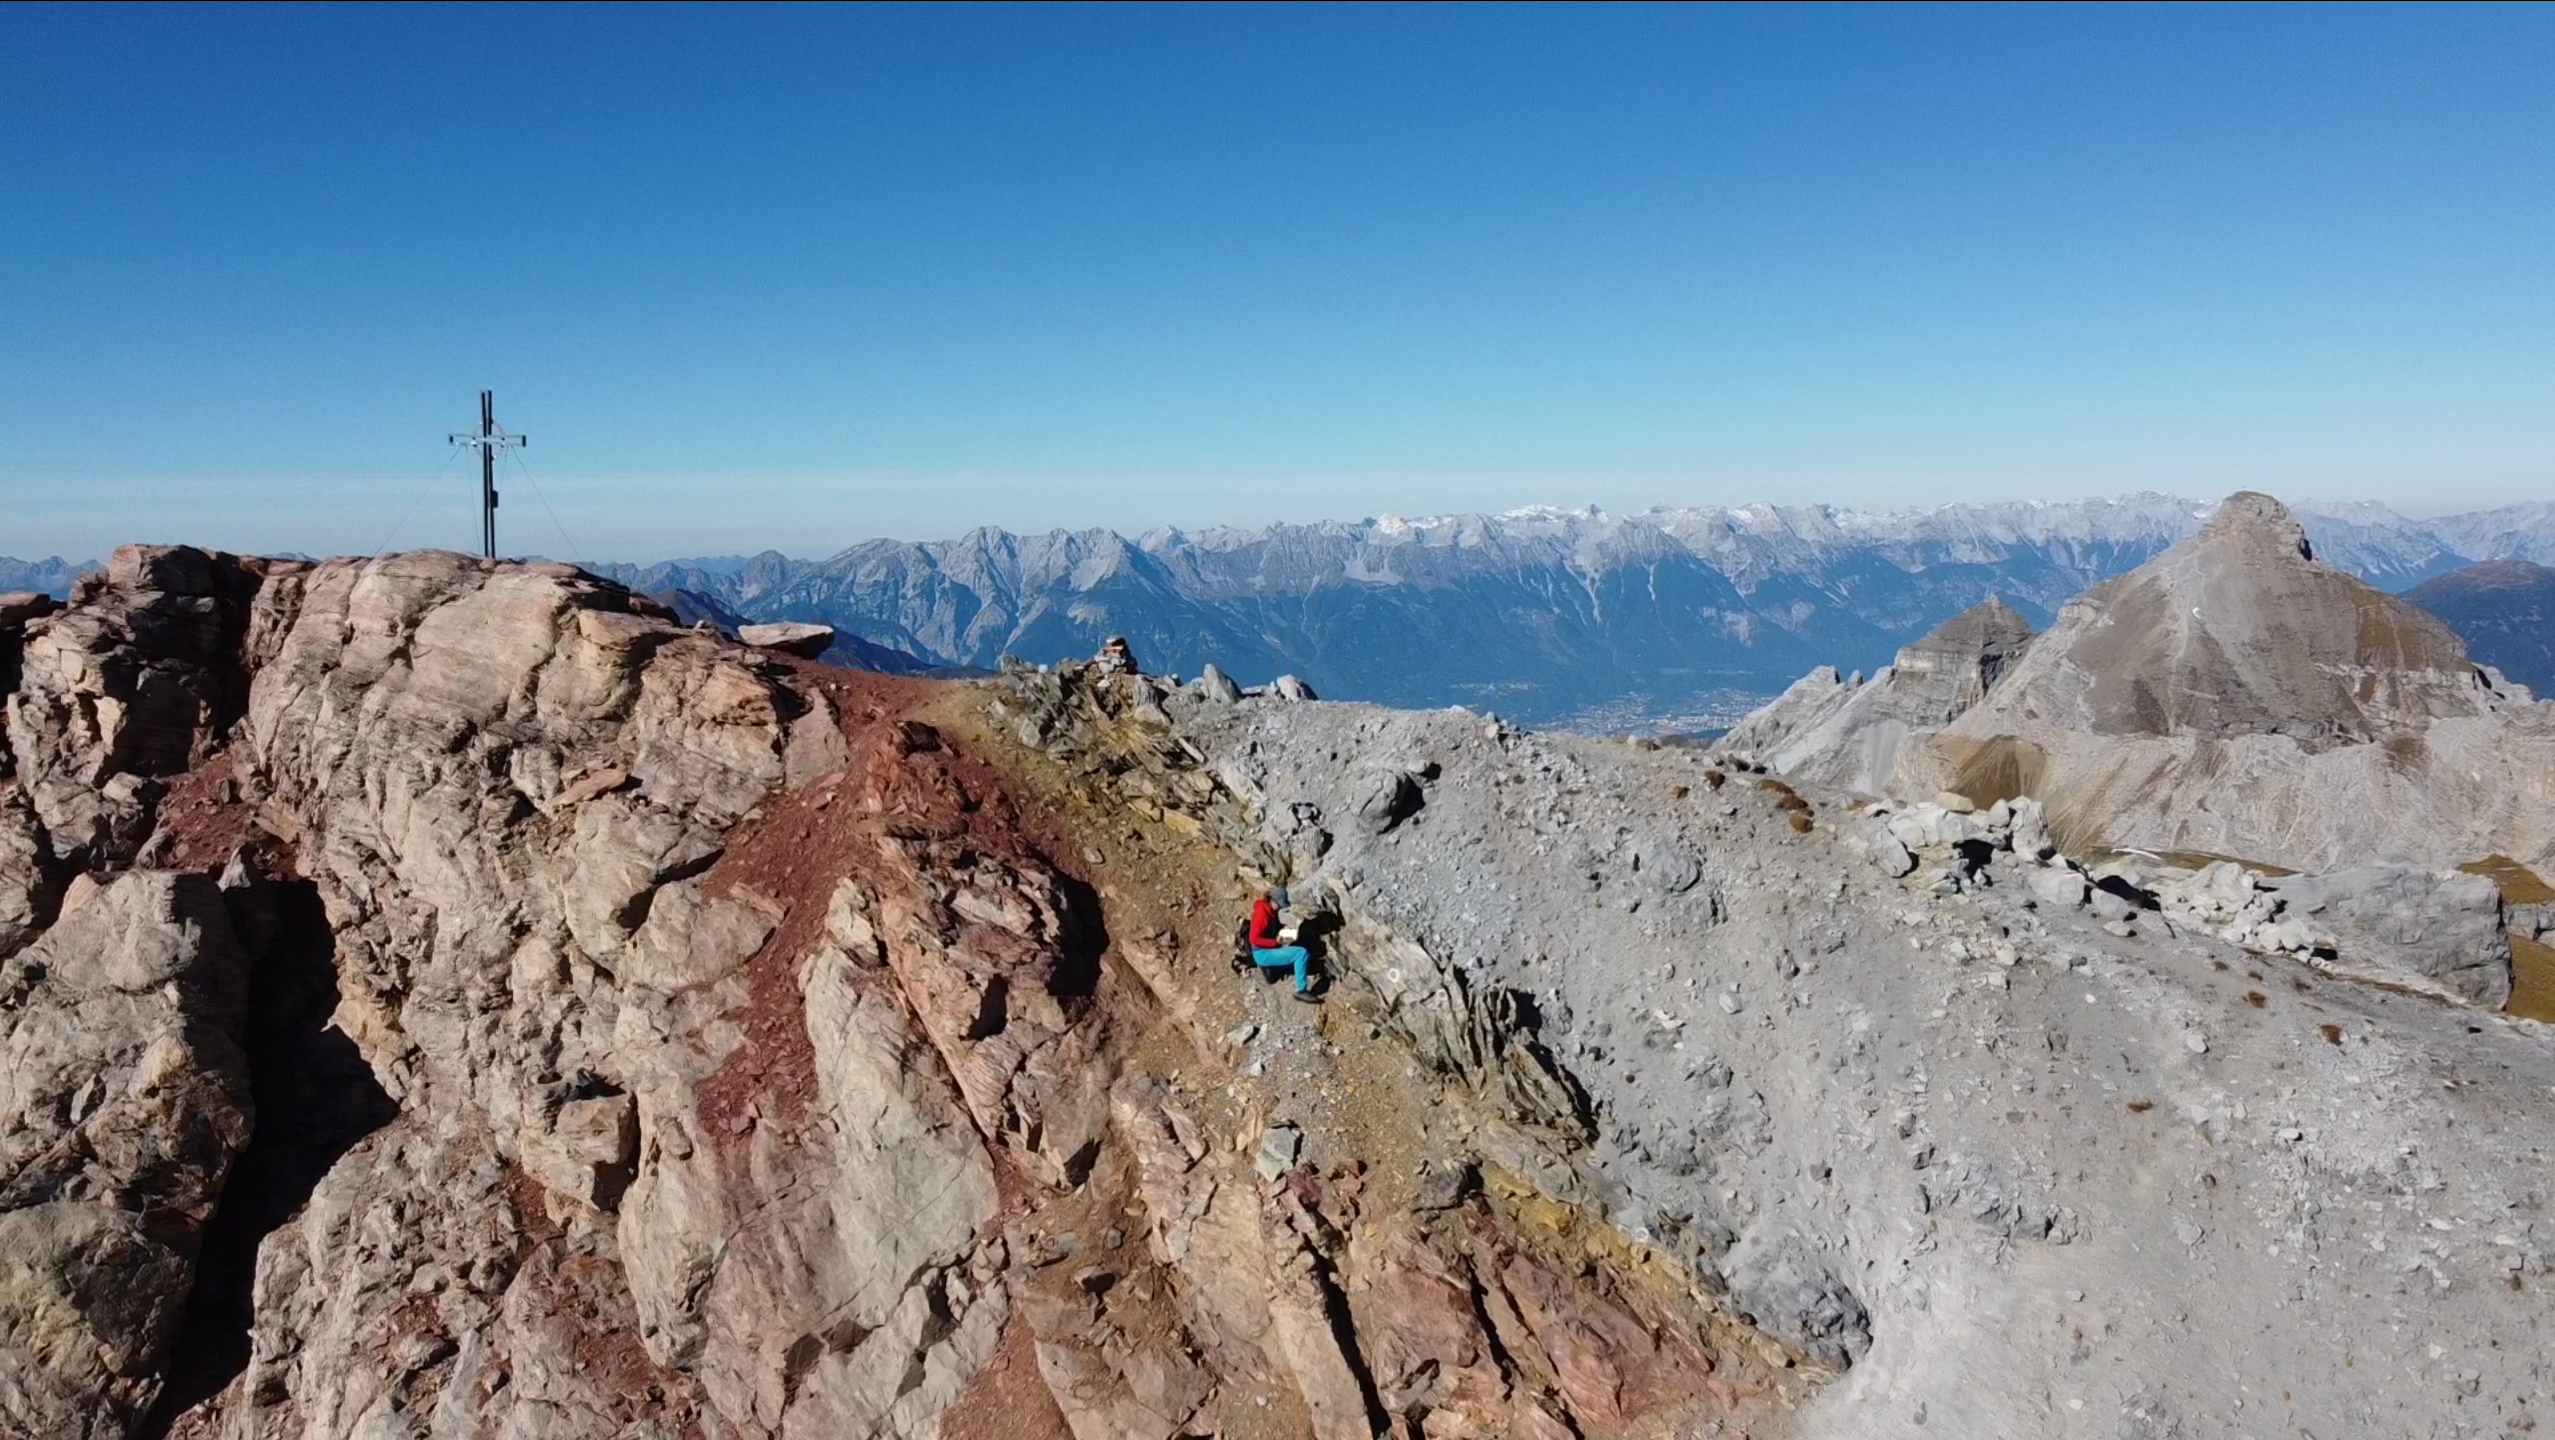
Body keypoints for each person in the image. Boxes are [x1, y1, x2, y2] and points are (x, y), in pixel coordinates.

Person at [1249, 886, 1319, 1003]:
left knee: (1298, 943)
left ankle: (1276, 969)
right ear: (1272, 900)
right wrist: (1275, 943)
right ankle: (1300, 991)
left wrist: (1283, 931)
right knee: (1301, 953)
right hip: (1262, 953)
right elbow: (1254, 939)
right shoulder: (1262, 913)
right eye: (1280, 904)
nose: (1281, 907)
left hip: (1267, 949)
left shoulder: (1269, 910)